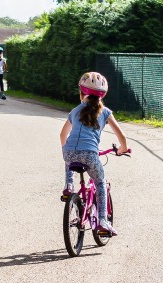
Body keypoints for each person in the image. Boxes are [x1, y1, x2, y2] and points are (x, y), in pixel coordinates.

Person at [59, 72, 129, 236]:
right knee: (100, 183)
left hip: (70, 154)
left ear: (81, 93)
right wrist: (122, 148)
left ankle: (69, 185)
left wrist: (66, 150)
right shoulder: (105, 112)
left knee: (68, 154)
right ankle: (103, 222)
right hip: (90, 155)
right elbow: (122, 138)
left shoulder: (75, 110)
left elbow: (63, 135)